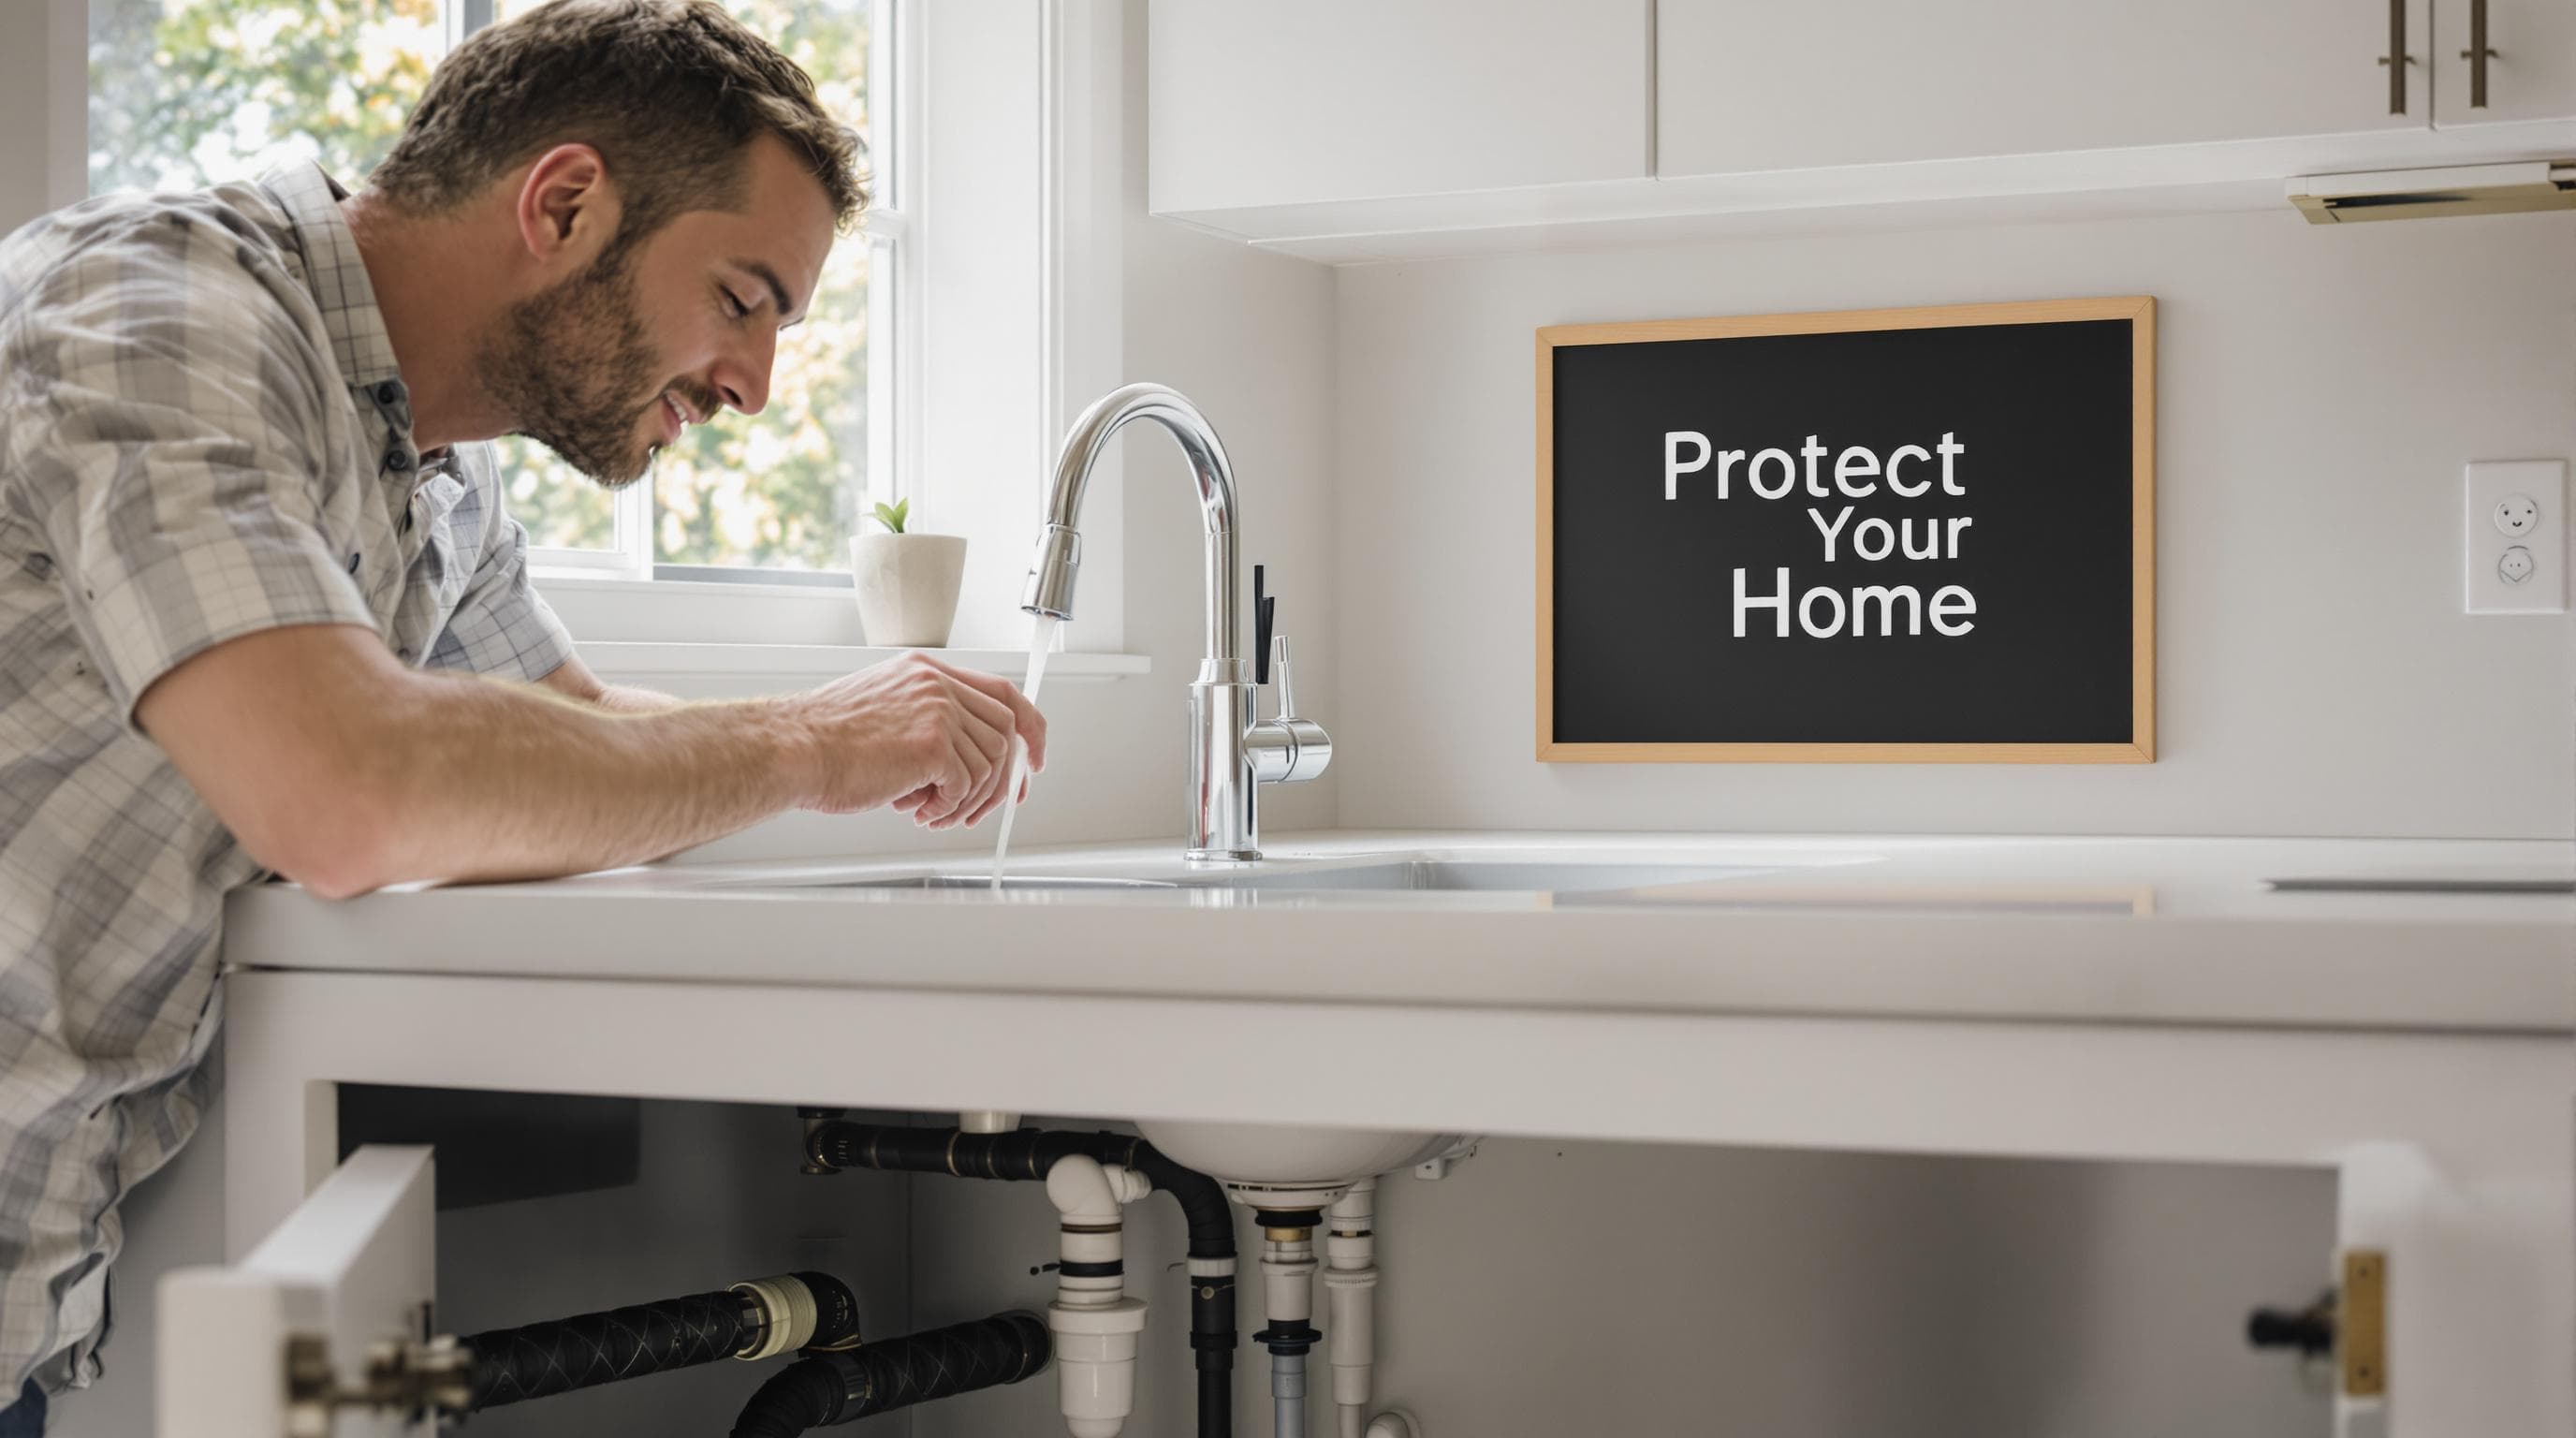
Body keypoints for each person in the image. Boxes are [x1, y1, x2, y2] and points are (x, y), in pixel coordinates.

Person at [0, 1, 1045, 1425]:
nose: (753, 386)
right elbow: (349, 791)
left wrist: (860, 753)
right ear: (562, 203)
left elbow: (581, 742)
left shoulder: (439, 473)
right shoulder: (161, 313)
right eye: (743, 299)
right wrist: (813, 741)